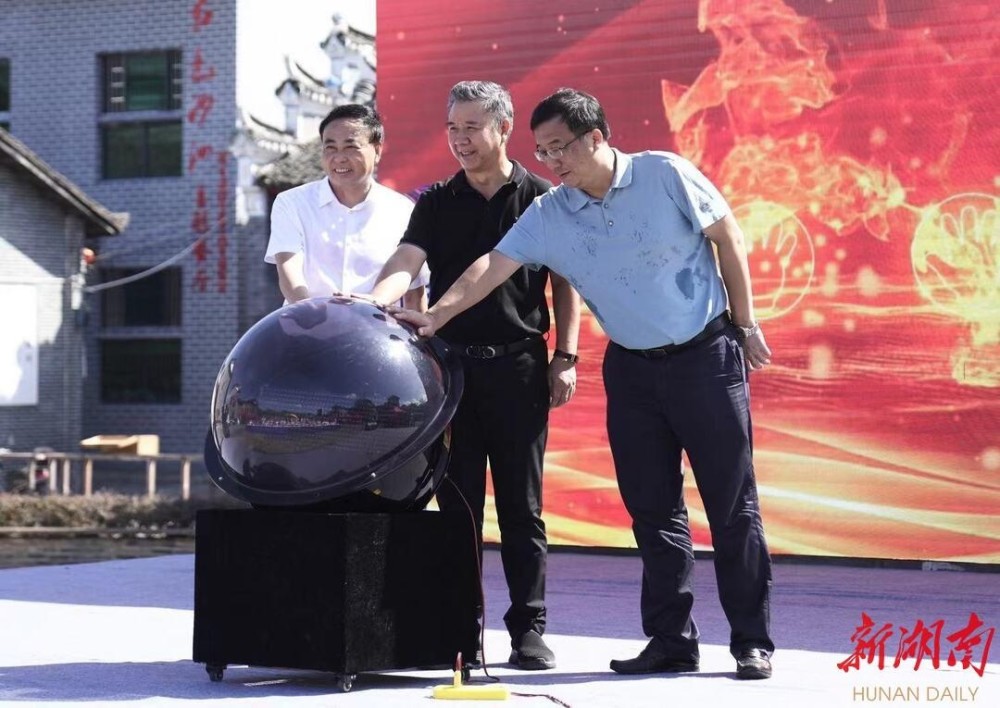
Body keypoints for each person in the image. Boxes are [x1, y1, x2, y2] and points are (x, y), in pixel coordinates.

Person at [388, 88, 776, 680]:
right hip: (633, 370)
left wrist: (744, 324)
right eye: (542, 152)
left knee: (732, 505)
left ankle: (751, 640)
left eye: (560, 148)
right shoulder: (551, 212)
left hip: (706, 358)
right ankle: (671, 639)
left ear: (595, 137)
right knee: (653, 510)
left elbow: (728, 237)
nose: (551, 162)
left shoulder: (664, 174)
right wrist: (435, 316)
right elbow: (490, 267)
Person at [369, 81, 581, 671]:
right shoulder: (436, 201)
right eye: (452, 128)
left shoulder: (542, 198)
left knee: (522, 507)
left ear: (503, 128)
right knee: (457, 506)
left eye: (471, 128)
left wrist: (566, 357)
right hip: (451, 372)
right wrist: (375, 300)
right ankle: (461, 628)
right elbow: (406, 260)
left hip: (520, 367)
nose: (459, 140)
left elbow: (565, 283)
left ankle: (529, 629)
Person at [265, 104, 427, 308]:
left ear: (377, 150)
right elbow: (289, 270)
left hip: (375, 326)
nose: (339, 158)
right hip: (306, 322)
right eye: (330, 148)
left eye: (351, 147)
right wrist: (311, 314)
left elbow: (414, 289)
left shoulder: (402, 210)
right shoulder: (292, 203)